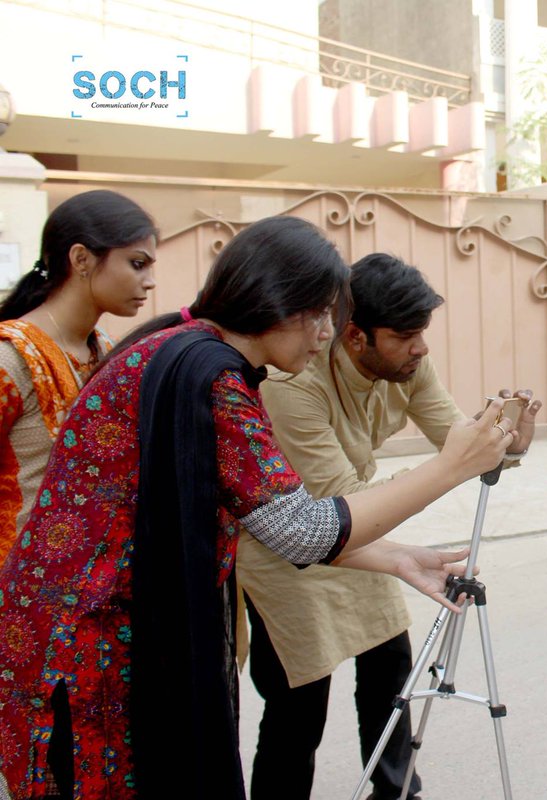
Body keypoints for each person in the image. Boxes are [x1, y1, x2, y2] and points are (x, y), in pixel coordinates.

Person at [0, 216, 516, 800]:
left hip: (88, 620)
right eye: (319, 315)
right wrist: (451, 467)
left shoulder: (188, 350)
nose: (326, 335)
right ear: (277, 305)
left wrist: (395, 558)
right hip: (82, 638)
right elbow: (304, 529)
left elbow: (272, 520)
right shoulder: (214, 378)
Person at [238, 252, 541, 800]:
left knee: (391, 670)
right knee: (299, 704)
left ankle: (397, 791)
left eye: (421, 333)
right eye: (405, 336)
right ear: (356, 336)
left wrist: (505, 444)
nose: (421, 348)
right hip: (290, 546)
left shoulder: (408, 364)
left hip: (364, 532)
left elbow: (455, 437)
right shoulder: (293, 385)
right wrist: (453, 463)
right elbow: (337, 503)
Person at [0, 189, 156, 561]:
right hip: (18, 578)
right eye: (137, 263)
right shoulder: (11, 356)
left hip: (93, 576)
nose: (150, 281)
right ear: (81, 259)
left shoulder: (108, 350)